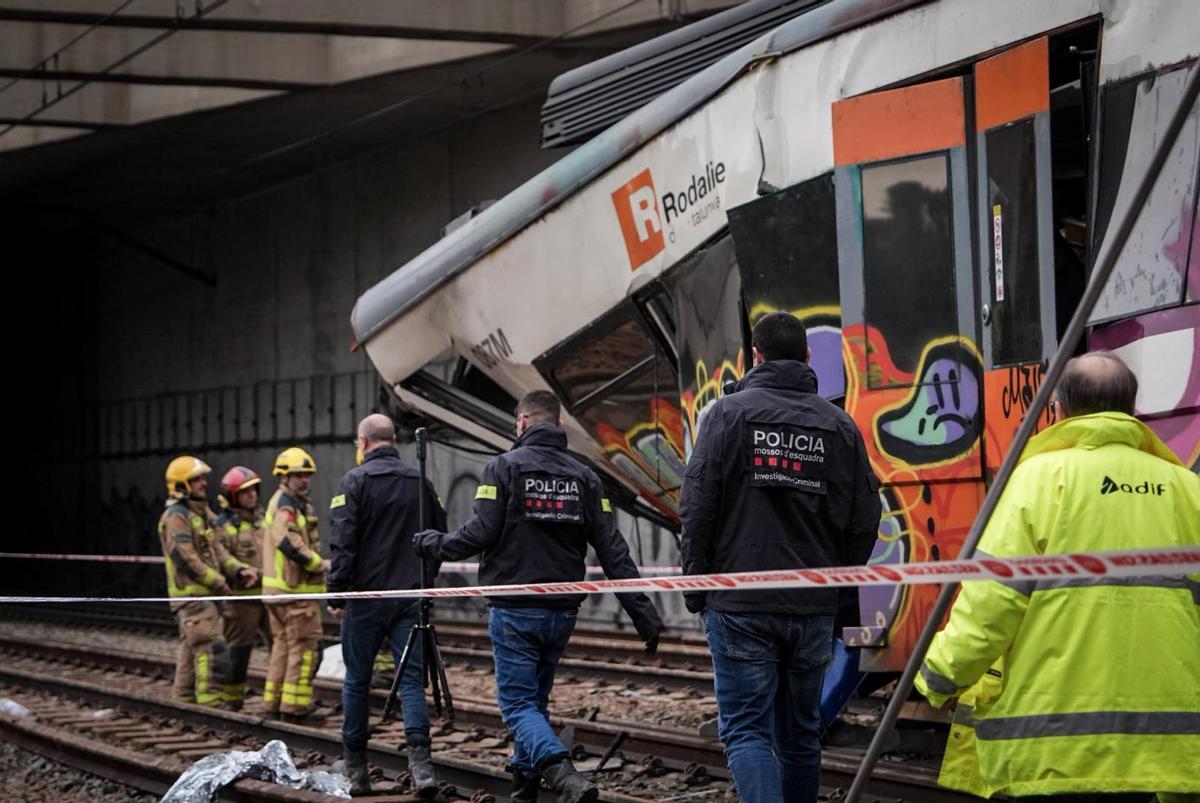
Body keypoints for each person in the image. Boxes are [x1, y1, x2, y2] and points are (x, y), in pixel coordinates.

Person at [915, 352, 1200, 802]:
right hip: (1164, 752)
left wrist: (939, 676)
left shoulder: (1037, 481)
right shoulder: (1187, 487)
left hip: (1052, 747)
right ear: (1131, 408)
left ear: (1059, 409)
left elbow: (992, 601)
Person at [413, 391, 663, 803]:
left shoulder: (503, 468)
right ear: (559, 425)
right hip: (562, 612)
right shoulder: (586, 477)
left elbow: (479, 534)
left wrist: (432, 544)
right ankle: (524, 786)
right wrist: (645, 616)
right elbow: (613, 550)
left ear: (522, 423)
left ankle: (562, 775)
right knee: (535, 702)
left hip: (515, 610)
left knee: (517, 706)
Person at [679, 312, 882, 803]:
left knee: (746, 731)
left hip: (739, 603)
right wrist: (836, 582)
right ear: (808, 357)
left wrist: (696, 585)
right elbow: (865, 516)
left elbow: (697, 506)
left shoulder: (725, 416)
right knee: (800, 735)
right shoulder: (839, 425)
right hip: (811, 603)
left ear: (755, 357)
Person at [327, 414, 446, 797]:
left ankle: (356, 770)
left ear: (363, 441)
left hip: (365, 599)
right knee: (411, 682)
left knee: (357, 681)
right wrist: (425, 580)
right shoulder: (419, 481)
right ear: (393, 440)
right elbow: (440, 535)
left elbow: (343, 541)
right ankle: (422, 769)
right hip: (410, 598)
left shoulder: (354, 482)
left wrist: (338, 592)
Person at [158, 456, 258, 706]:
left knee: (191, 652)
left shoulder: (201, 513)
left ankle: (183, 704)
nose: (203, 483)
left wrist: (239, 570)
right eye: (196, 479)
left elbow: (219, 551)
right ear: (180, 485)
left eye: (202, 478)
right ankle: (210, 707)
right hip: (192, 597)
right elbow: (185, 558)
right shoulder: (176, 516)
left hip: (204, 596)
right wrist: (218, 582)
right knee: (213, 651)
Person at [262, 446, 329, 724]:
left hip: (280, 593)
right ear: (283, 476)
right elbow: (288, 542)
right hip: (294, 592)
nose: (304, 480)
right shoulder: (286, 506)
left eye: (307, 475)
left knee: (282, 649)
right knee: (303, 650)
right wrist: (318, 564)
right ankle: (295, 708)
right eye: (298, 475)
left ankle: (274, 704)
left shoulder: (289, 503)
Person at [213, 465, 269, 711]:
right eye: (245, 492)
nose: (252, 495)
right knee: (238, 651)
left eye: (254, 490)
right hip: (242, 600)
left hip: (269, 596)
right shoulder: (223, 525)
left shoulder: (264, 520)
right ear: (232, 496)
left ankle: (275, 700)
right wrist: (240, 571)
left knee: (281, 646)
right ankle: (232, 700)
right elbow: (221, 556)